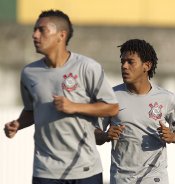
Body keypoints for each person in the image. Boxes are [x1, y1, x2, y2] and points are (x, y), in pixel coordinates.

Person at [4, 9, 119, 184]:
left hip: (85, 168)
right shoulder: (29, 73)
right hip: (45, 170)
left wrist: (74, 106)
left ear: (61, 35)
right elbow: (31, 110)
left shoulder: (87, 67)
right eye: (34, 30)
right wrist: (18, 124)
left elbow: (112, 107)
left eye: (42, 30)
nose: (35, 35)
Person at [95, 39, 175, 184]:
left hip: (154, 177)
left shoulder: (167, 98)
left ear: (147, 66)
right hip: (121, 179)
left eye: (130, 62)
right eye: (122, 62)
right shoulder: (110, 97)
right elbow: (94, 133)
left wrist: (172, 137)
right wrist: (106, 135)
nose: (124, 66)